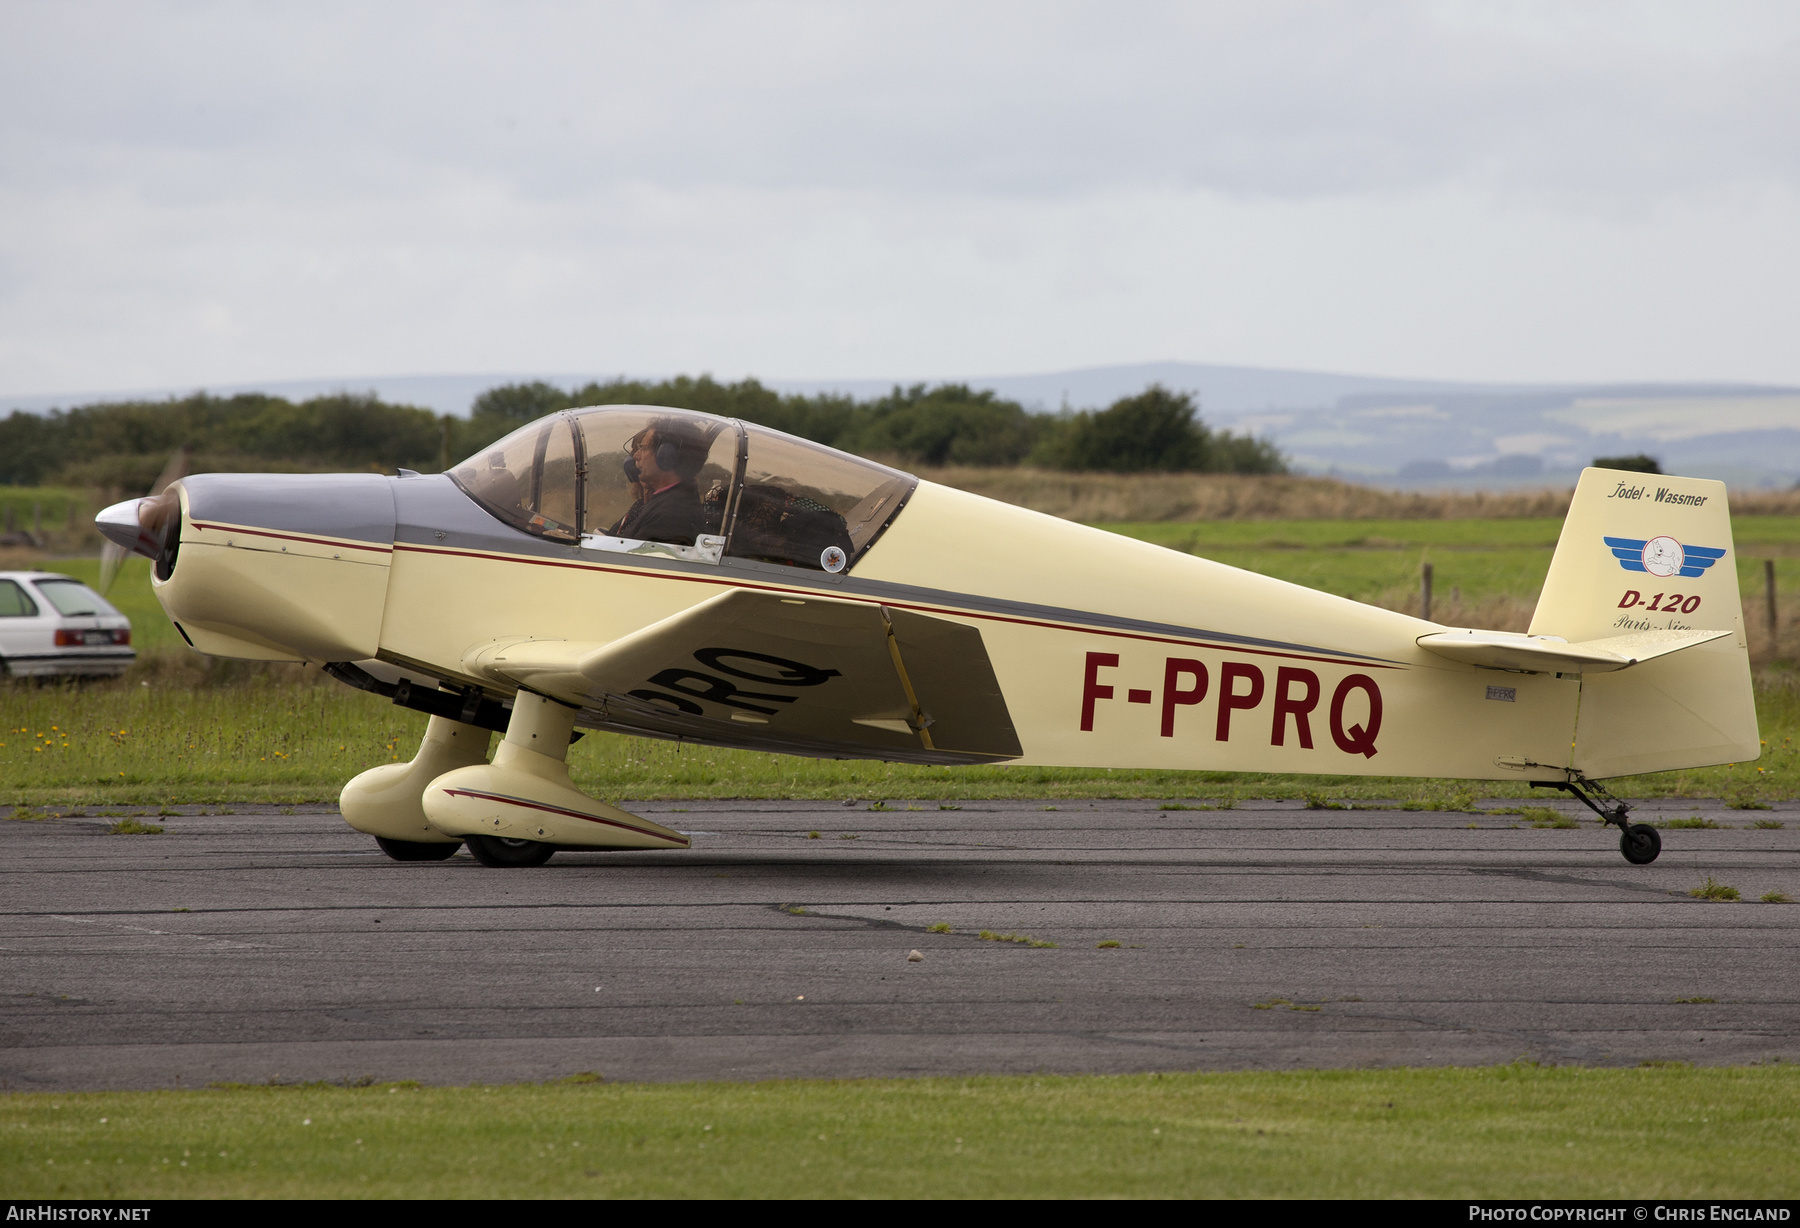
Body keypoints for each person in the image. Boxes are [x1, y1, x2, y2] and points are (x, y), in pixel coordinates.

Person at [608, 422, 706, 545]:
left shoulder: (671, 515)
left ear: (666, 456)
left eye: (643, 448)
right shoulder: (662, 502)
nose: (636, 456)